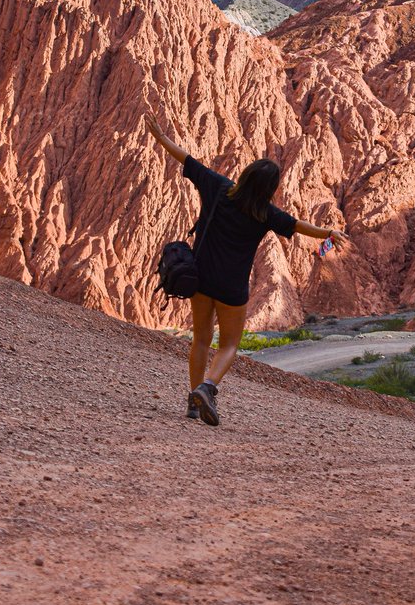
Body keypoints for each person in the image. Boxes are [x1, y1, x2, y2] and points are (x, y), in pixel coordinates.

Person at [145, 112, 345, 426]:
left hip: (200, 279)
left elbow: (187, 159)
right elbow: (297, 225)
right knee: (229, 344)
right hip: (231, 289)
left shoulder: (218, 187)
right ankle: (208, 387)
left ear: (245, 175)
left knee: (200, 339)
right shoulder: (265, 213)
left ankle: (193, 402)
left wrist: (160, 137)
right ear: (269, 189)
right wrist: (327, 233)